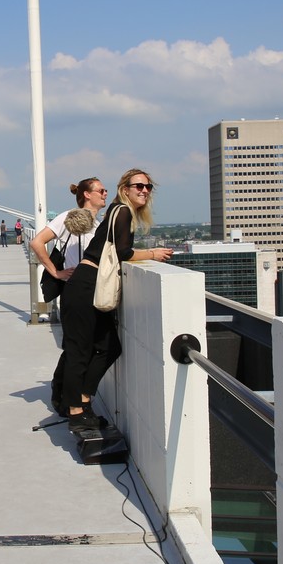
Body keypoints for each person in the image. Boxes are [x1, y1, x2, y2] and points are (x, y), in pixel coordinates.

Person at [60, 168, 173, 439]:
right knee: (80, 352)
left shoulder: (117, 211)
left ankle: (83, 400)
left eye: (148, 187)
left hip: (89, 286)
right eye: (138, 186)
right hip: (85, 287)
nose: (144, 191)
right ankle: (76, 413)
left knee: (109, 347)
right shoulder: (122, 211)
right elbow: (122, 252)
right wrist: (153, 253)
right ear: (125, 189)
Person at [30, 177, 108, 414]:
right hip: (75, 290)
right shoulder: (68, 217)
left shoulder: (99, 223)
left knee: (81, 347)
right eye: (101, 190)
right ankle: (65, 399)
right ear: (87, 194)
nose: (105, 193)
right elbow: (37, 242)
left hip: (92, 291)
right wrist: (56, 272)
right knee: (77, 349)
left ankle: (70, 396)